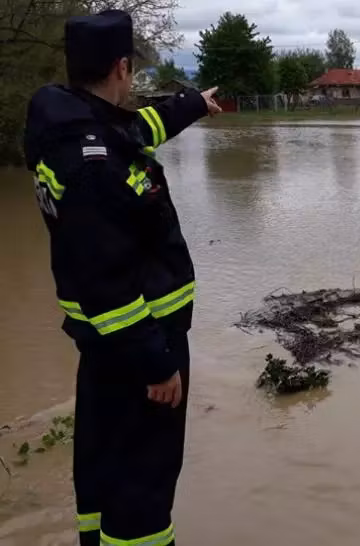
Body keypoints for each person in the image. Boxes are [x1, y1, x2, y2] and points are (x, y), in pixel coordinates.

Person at [22, 9, 220, 546]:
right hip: (141, 347)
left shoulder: (72, 127)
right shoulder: (94, 165)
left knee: (103, 466)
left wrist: (194, 104)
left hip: (105, 349)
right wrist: (157, 365)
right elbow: (106, 283)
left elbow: (139, 128)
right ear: (122, 68)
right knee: (144, 488)